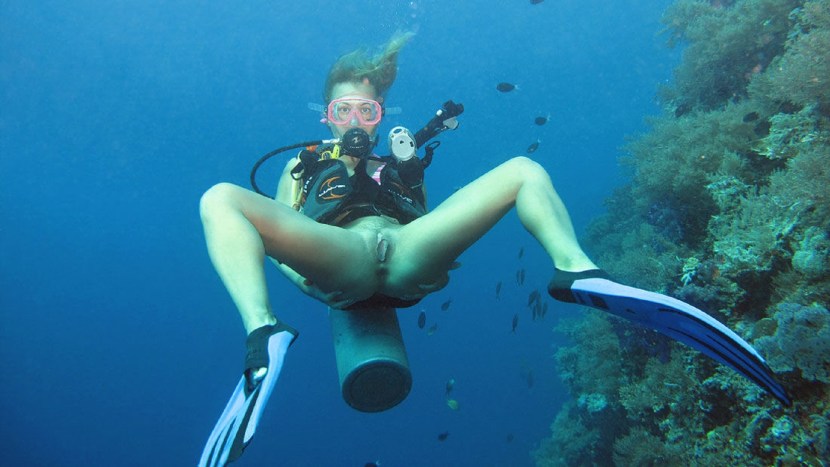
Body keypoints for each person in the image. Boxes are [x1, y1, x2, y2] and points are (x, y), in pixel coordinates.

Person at [197, 32, 789, 467]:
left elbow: (423, 219)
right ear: (326, 115)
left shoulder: (396, 160)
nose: (356, 120)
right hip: (341, 259)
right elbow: (279, 236)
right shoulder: (303, 166)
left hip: (405, 254)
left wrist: (408, 180)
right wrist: (309, 280)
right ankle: (262, 334)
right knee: (221, 197)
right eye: (344, 110)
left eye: (367, 110)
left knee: (522, 170)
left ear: (381, 116)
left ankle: (580, 273)